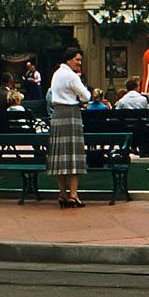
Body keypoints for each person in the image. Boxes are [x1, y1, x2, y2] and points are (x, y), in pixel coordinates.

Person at [47, 47, 91, 208]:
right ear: (69, 59)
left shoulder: (56, 74)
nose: (79, 63)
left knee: (60, 156)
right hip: (71, 113)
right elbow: (86, 96)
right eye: (77, 59)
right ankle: (73, 195)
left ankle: (62, 194)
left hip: (57, 114)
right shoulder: (72, 76)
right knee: (73, 155)